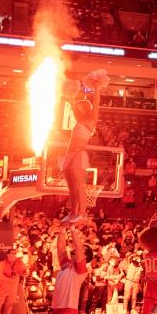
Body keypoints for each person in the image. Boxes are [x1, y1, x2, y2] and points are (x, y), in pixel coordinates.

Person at [61, 77, 100, 223]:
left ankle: (82, 213)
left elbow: (96, 104)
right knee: (71, 187)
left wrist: (97, 88)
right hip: (69, 155)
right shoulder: (78, 119)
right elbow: (71, 103)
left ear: (86, 108)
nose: (77, 107)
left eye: (80, 106)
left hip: (79, 154)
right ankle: (73, 213)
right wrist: (69, 92)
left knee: (79, 185)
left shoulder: (91, 121)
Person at [0, 246, 26, 314]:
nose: (13, 255)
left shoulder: (19, 263)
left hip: (13, 288)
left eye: (15, 254)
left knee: (9, 305)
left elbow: (24, 272)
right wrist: (9, 280)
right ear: (8, 255)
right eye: (12, 254)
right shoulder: (2, 264)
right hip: (2, 288)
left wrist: (25, 273)